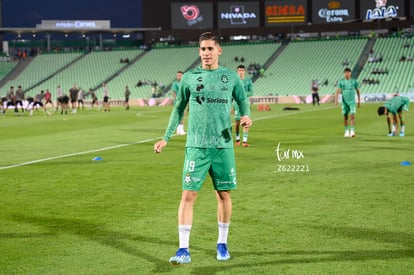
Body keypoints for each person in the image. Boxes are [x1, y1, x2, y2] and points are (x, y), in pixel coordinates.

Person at [153, 32, 252, 265]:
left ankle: (222, 243)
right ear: (199, 52)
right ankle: (183, 249)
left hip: (223, 144)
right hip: (196, 145)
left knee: (223, 194)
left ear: (219, 50)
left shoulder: (230, 77)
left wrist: (246, 115)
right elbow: (178, 109)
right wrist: (166, 137)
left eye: (210, 49)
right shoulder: (189, 78)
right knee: (188, 195)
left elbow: (242, 100)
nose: (205, 53)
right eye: (202, 49)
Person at [335, 68, 361, 137]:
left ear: (350, 73)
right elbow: (337, 90)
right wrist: (336, 100)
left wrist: (359, 101)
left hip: (352, 102)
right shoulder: (341, 81)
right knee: (345, 117)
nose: (347, 74)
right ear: (344, 73)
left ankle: (352, 131)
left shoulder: (354, 81)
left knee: (352, 116)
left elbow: (358, 91)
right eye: (345, 72)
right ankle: (346, 131)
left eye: (348, 72)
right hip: (344, 102)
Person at [234, 64, 253, 146]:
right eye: (239, 70)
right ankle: (237, 139)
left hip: (245, 104)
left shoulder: (248, 80)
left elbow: (251, 92)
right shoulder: (235, 81)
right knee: (237, 122)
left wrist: (241, 94)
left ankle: (244, 141)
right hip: (236, 104)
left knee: (246, 121)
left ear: (244, 71)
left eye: (242, 70)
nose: (241, 72)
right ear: (237, 71)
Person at [171, 71, 186, 135]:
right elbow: (173, 92)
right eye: (178, 75)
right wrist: (177, 100)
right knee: (180, 115)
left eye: (180, 75)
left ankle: (179, 129)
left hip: (184, 101)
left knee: (182, 115)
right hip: (178, 101)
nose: (178, 77)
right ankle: (180, 130)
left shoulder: (185, 83)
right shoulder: (175, 83)